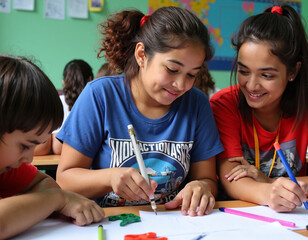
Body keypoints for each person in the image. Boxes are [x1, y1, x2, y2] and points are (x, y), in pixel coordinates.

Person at [56, 7, 223, 217]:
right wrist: (110, 178)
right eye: (172, 69)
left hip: (175, 224)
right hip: (107, 221)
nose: (181, 85)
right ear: (141, 54)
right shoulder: (100, 96)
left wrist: (202, 188)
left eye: (192, 75)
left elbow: (207, 179)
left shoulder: (197, 104)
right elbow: (64, 179)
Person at [210, 4, 308, 212]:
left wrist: (273, 184)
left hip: (292, 217)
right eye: (243, 71)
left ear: (293, 71)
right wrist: (270, 193)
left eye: (266, 75)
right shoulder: (225, 103)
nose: (251, 85)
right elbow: (231, 180)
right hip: (240, 214)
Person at [0, 55, 104, 239]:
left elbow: (46, 183)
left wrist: (51, 199)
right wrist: (57, 199)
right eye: (25, 146)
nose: (29, 159)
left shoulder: (5, 170)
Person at [52, 59, 94, 154]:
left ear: (63, 82)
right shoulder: (94, 102)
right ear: (90, 79)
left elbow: (57, 148)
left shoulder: (57, 102)